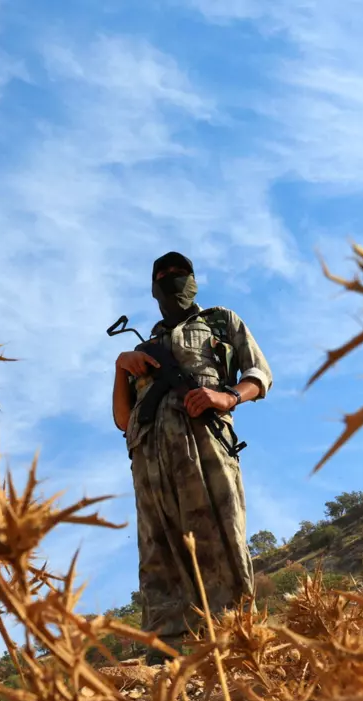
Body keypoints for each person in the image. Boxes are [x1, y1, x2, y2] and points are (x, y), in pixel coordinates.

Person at [111, 251, 272, 664]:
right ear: (152, 287)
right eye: (162, 274)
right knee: (157, 546)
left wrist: (227, 395)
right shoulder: (143, 348)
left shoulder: (220, 321)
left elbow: (259, 374)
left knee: (220, 534)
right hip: (149, 457)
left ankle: (234, 636)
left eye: (179, 273)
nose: (170, 279)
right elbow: (123, 419)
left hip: (205, 441)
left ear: (194, 280)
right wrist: (120, 367)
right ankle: (165, 650)